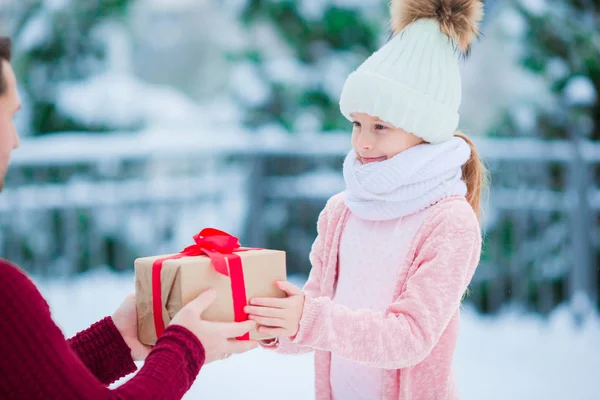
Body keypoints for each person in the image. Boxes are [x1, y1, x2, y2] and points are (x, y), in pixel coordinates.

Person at [244, 1, 487, 399]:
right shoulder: (342, 211)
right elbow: (320, 309)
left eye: (381, 127)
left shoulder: (449, 222)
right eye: (357, 123)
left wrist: (311, 318)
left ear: (424, 131)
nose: (364, 142)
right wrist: (283, 324)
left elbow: (409, 337)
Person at [0, 36, 258, 399]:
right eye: (9, 117)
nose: (15, 140)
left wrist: (116, 341)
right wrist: (186, 348)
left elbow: (30, 385)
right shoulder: (5, 295)